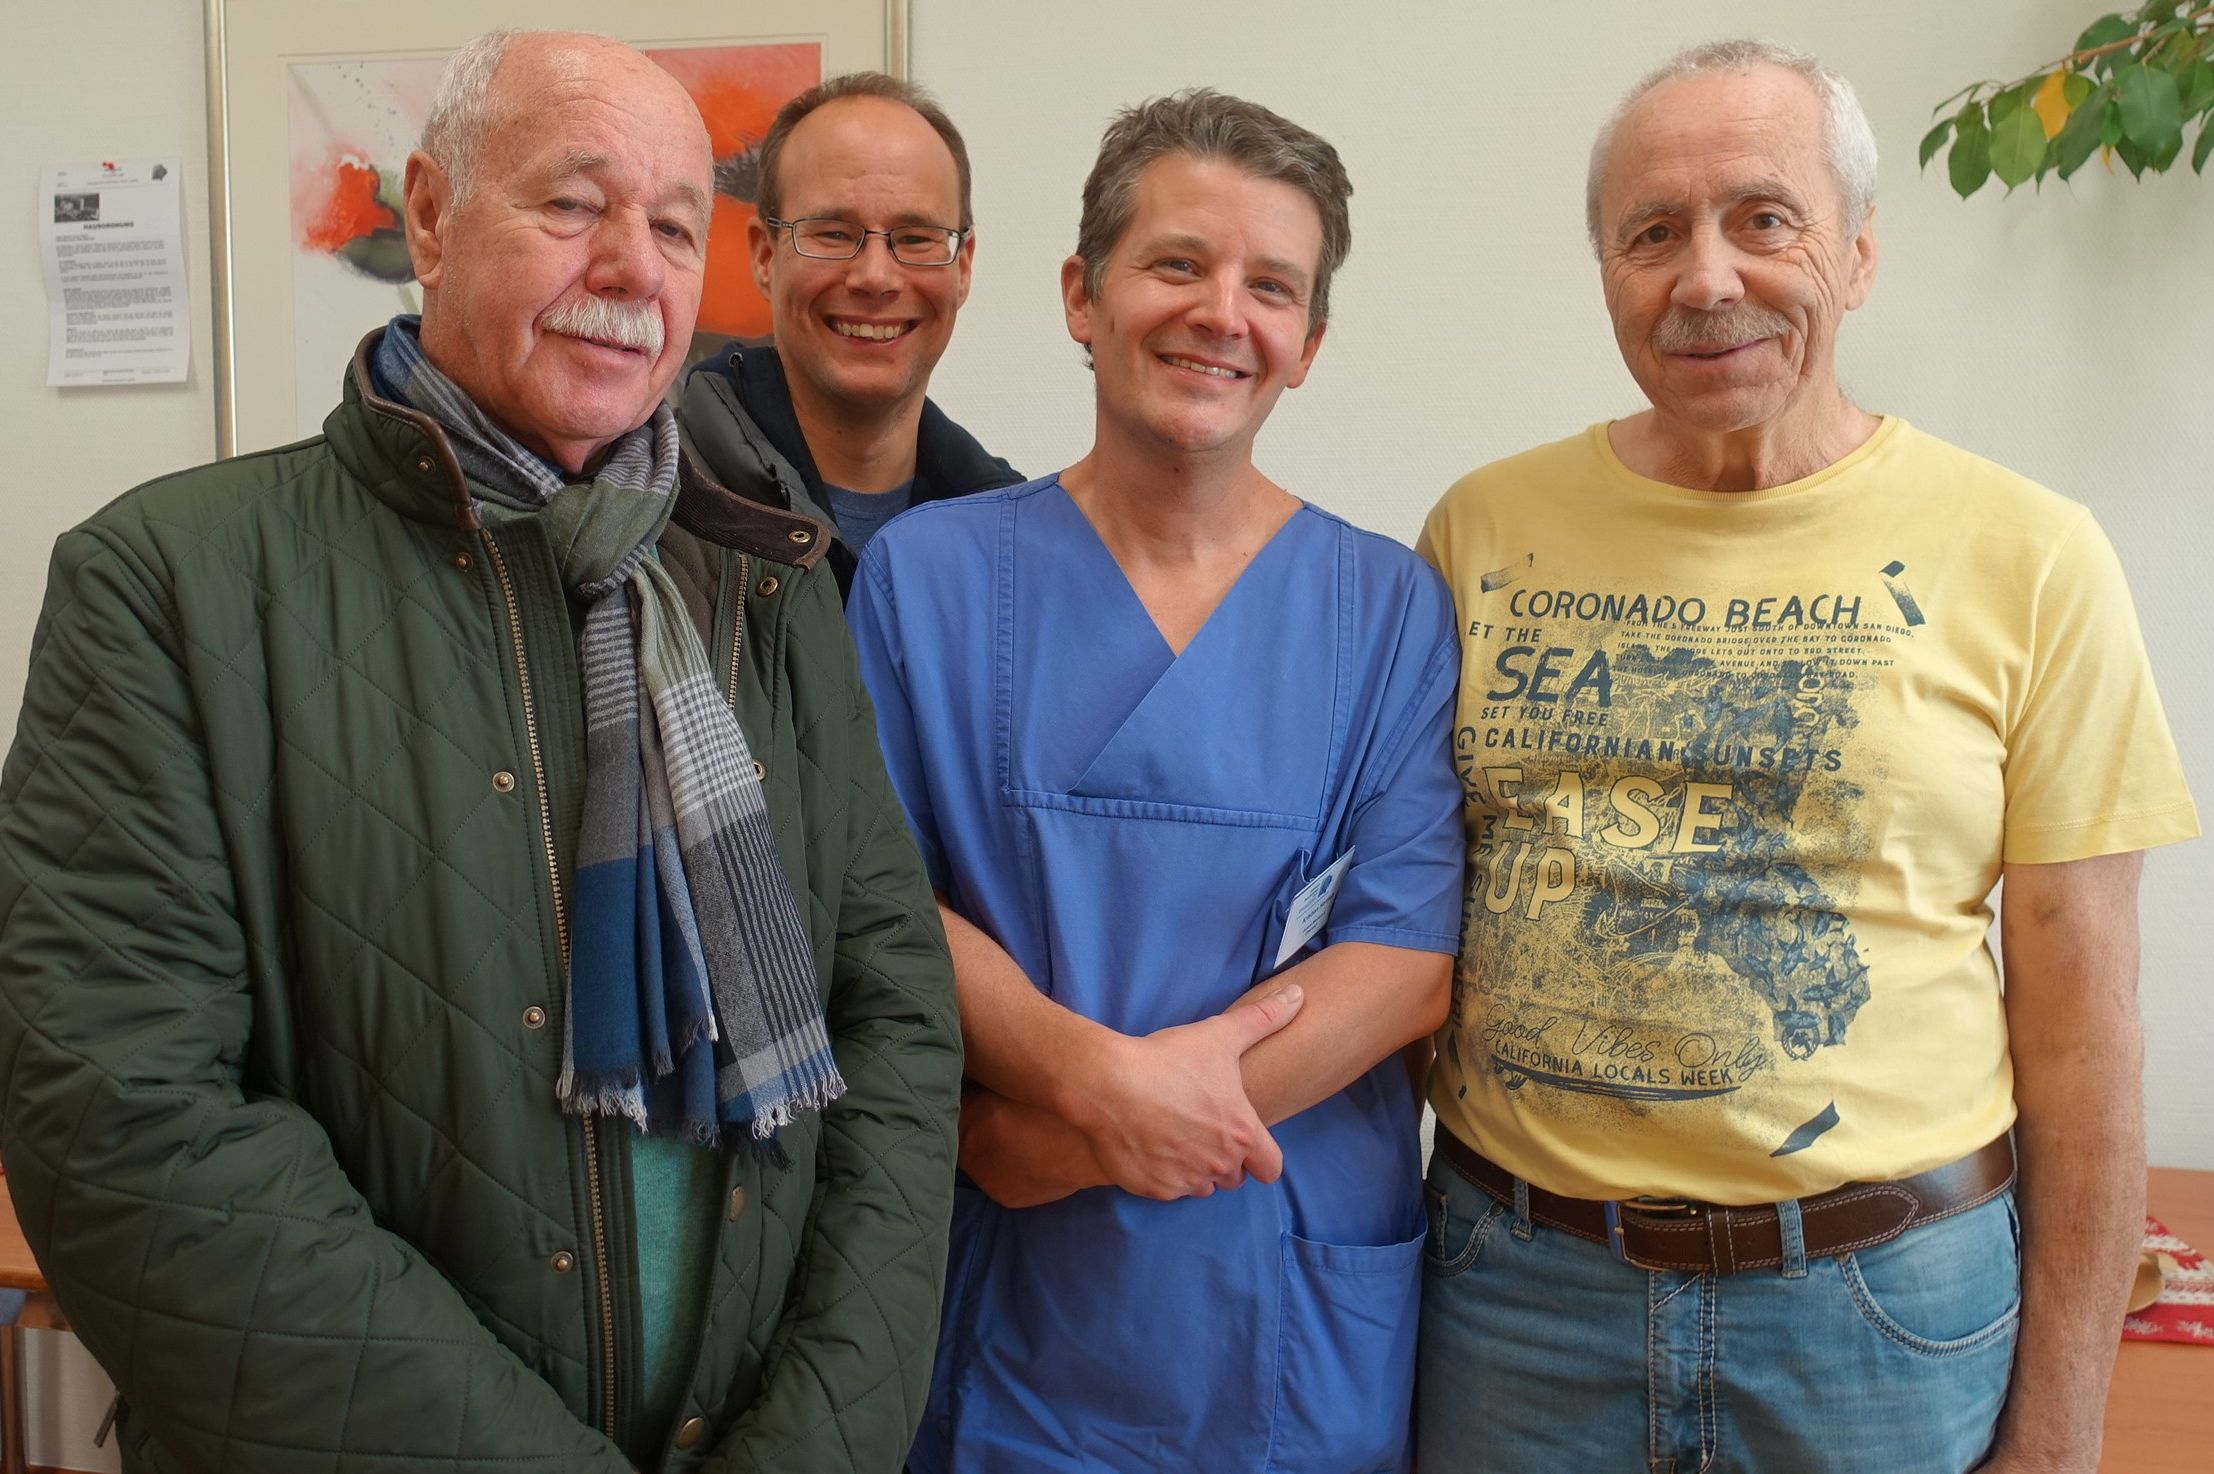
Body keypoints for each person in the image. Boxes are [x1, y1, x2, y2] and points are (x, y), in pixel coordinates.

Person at [0, 30, 959, 1474]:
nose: (635, 266)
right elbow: (126, 1125)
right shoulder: (170, 583)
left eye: (676, 226)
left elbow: (893, 1026)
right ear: (431, 217)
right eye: (574, 204)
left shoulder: (762, 585)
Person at [1414, 38, 2199, 1474]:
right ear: (1605, 271)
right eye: (1651, 232)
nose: (1705, 277)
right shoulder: (1477, 530)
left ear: (1855, 251)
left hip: (1879, 1308)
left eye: (1762, 218)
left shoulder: (2030, 554)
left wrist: (2061, 1432)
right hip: (1513, 1296)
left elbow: (2085, 1026)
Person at [847, 90, 1464, 1473]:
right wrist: (1097, 1084)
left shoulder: (1384, 607)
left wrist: (1082, 1137)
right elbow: (879, 904)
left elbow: (1405, 959)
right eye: (1177, 264)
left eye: (1270, 287)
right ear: (1081, 292)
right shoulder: (928, 580)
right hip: (1014, 1277)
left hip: (1283, 1281)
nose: (1219, 314)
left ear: (1308, 341)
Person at [680, 72, 1022, 595]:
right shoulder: (656, 503)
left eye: (916, 238)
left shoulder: (1013, 537)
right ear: (765, 256)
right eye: (834, 234)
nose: (875, 278)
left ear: (964, 266)